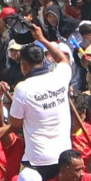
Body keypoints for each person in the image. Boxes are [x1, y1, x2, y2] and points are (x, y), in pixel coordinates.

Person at [7, 39, 73, 172]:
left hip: (37, 160)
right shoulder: (60, 76)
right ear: (44, 61)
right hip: (65, 157)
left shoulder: (23, 88)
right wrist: (42, 38)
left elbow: (14, 123)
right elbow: (62, 59)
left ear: (23, 65)